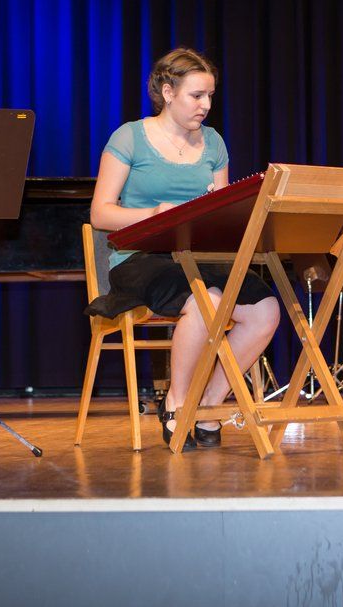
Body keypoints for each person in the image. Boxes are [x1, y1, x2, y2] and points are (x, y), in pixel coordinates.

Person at [87, 48, 281, 450]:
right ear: (167, 92)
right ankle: (176, 401)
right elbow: (101, 213)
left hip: (197, 257)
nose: (205, 105)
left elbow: (222, 212)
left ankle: (208, 404)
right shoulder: (129, 137)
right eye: (196, 96)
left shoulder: (214, 143)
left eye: (210, 96)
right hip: (141, 258)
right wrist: (155, 213)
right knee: (207, 298)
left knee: (266, 310)